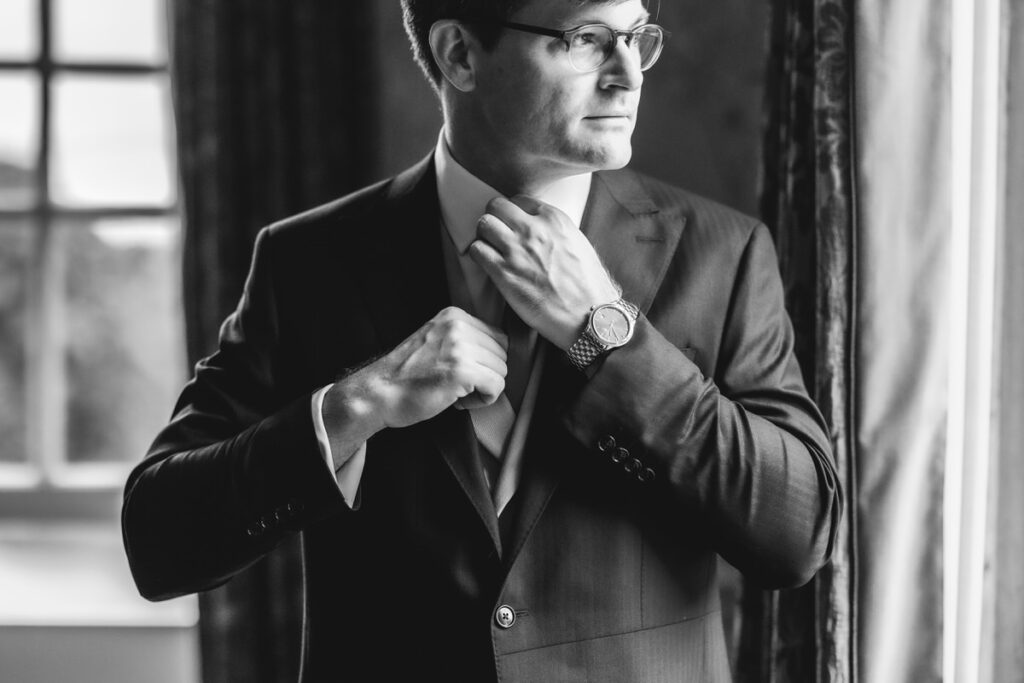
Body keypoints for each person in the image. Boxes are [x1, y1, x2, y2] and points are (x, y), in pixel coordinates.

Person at [122, 0, 842, 680]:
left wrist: (605, 338)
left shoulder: (722, 252)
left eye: (638, 35)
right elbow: (159, 541)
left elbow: (798, 529)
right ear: (460, 54)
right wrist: (355, 405)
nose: (629, 73)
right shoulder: (309, 262)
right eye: (587, 38)